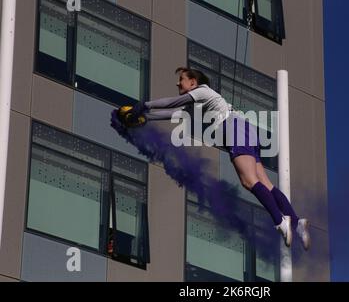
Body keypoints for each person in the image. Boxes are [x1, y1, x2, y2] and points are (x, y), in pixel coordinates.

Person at [125, 67, 310, 250]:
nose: (177, 82)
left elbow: (173, 103)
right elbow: (172, 114)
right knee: (266, 183)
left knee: (249, 181)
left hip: (234, 129)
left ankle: (280, 221)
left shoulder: (202, 92)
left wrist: (145, 105)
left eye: (181, 79)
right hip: (246, 130)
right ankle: (296, 222)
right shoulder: (197, 104)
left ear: (193, 82)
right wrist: (144, 117)